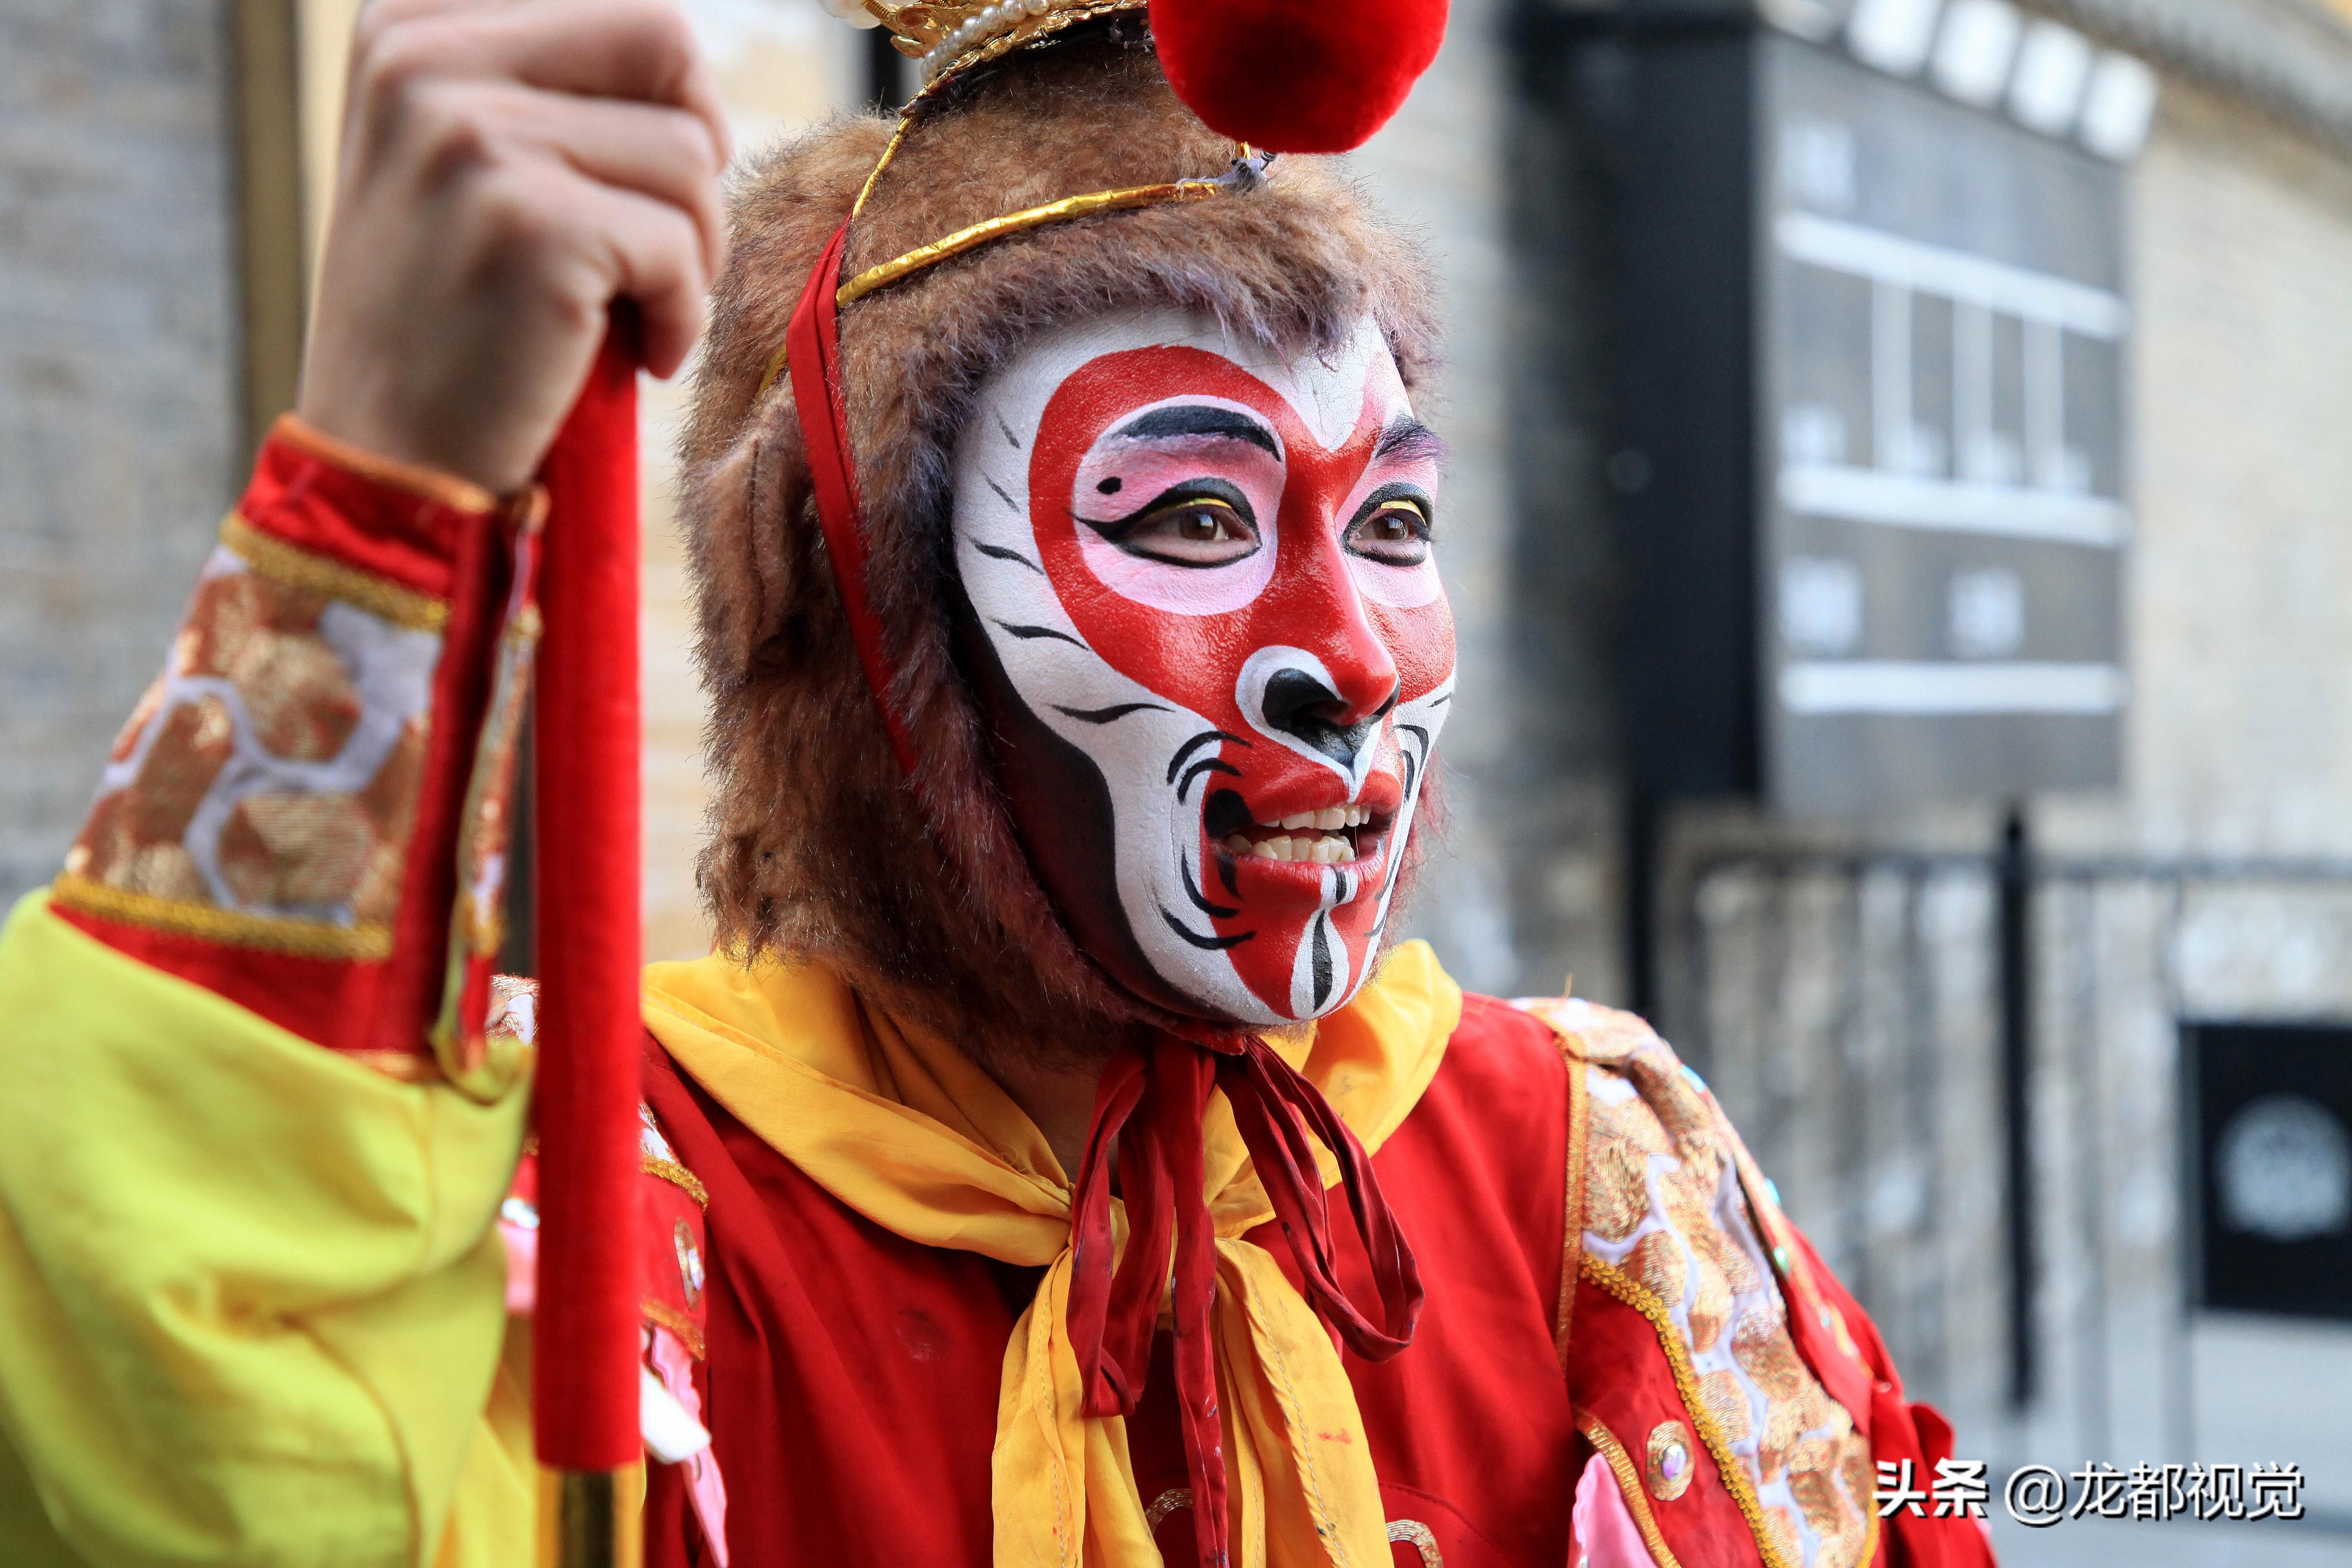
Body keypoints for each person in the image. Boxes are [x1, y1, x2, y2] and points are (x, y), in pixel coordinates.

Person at [0, 2, 1996, 1565]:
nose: (1362, 660)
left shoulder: (1579, 1174)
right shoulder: (610, 1216)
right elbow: (193, 1460)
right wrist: (385, 479)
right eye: (1196, 515)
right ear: (860, 621)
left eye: (1392, 520)